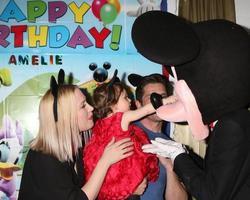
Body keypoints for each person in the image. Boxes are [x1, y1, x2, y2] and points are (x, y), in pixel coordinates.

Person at [132, 11, 250, 200]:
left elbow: (211, 193)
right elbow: (218, 173)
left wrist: (178, 155)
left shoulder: (231, 126)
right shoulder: (235, 119)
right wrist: (182, 152)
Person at [18, 70, 144, 200]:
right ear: (66, 115)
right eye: (83, 105)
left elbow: (92, 188)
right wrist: (105, 162)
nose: (91, 108)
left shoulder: (75, 148)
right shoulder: (44, 157)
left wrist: (129, 187)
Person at [83, 70, 176, 200]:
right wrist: (170, 100)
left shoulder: (100, 125)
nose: (130, 101)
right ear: (113, 105)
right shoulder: (123, 119)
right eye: (126, 98)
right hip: (127, 182)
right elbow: (147, 109)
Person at [128, 73, 188, 200]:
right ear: (138, 105)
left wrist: (170, 169)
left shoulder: (171, 146)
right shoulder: (127, 134)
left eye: (163, 97)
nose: (158, 102)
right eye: (151, 97)